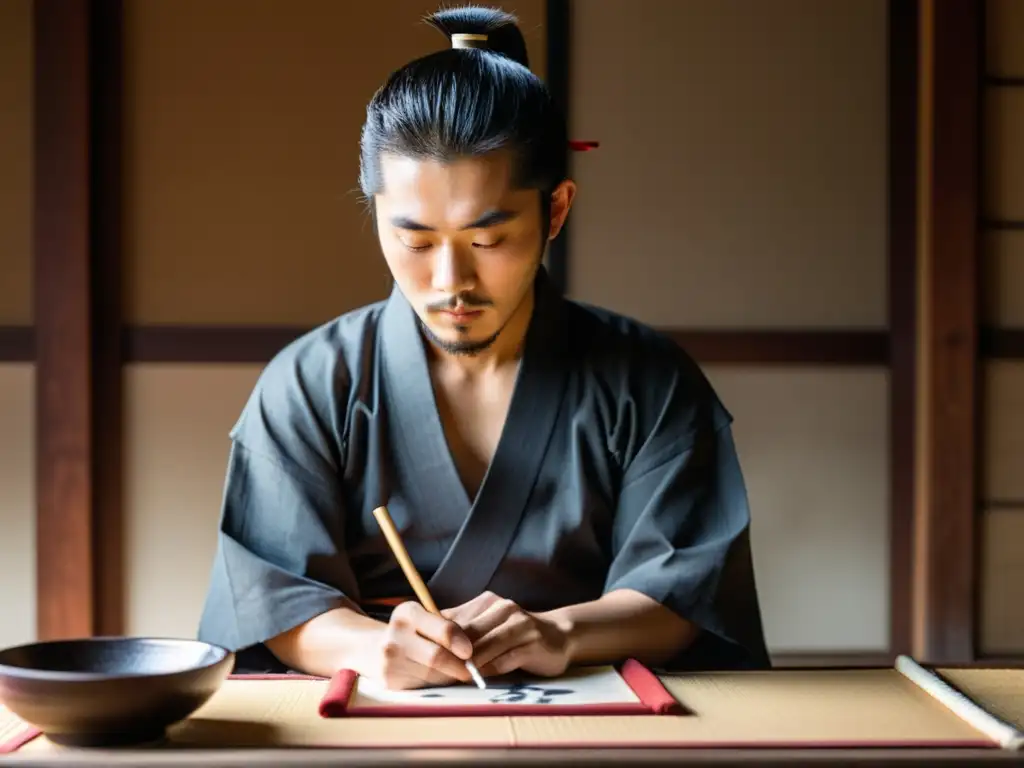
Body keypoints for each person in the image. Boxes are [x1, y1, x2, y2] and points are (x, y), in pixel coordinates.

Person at [197, 5, 770, 689]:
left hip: (596, 720)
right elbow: (268, 601)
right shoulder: (312, 383)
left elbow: (689, 594)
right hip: (374, 722)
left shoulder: (647, 381)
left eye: (487, 239)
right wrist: (376, 648)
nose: (450, 282)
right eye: (414, 239)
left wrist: (559, 632)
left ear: (555, 210)